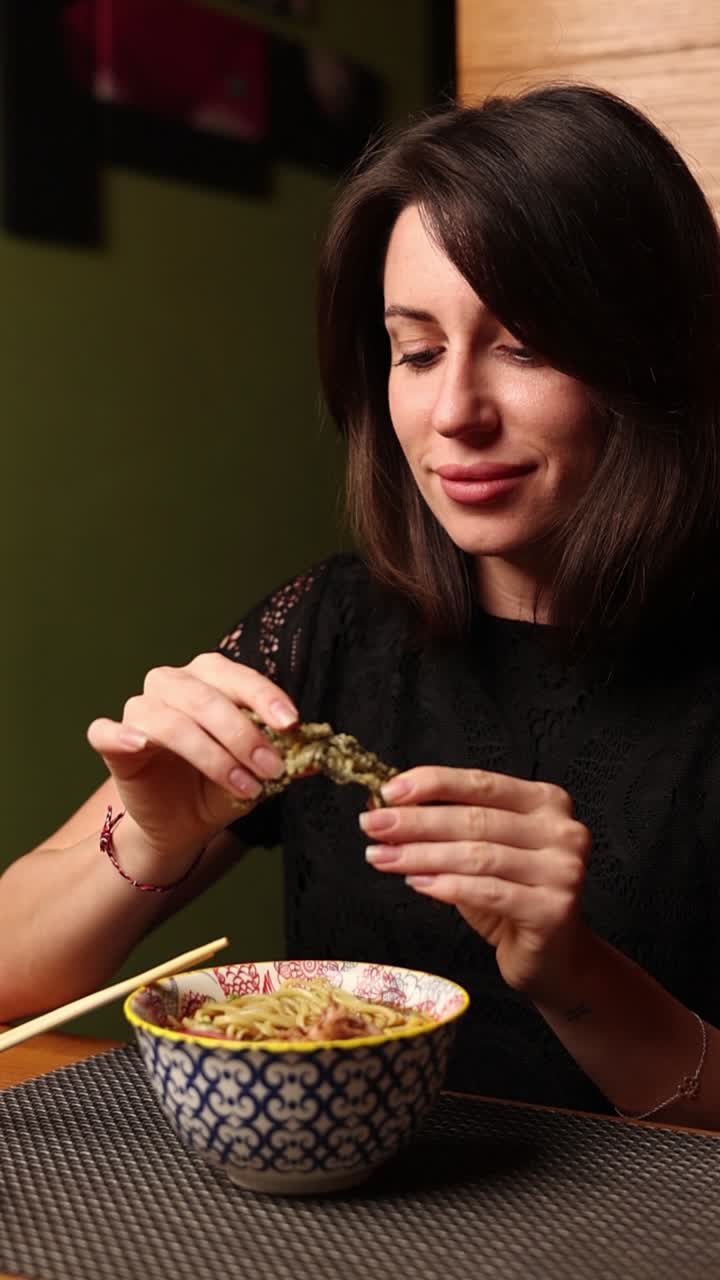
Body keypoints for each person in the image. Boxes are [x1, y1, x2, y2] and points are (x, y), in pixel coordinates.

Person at [3, 81, 720, 1126]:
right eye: (416, 349)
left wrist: (576, 972)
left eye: (524, 345)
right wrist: (148, 848)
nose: (454, 412)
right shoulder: (330, 630)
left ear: (650, 357)